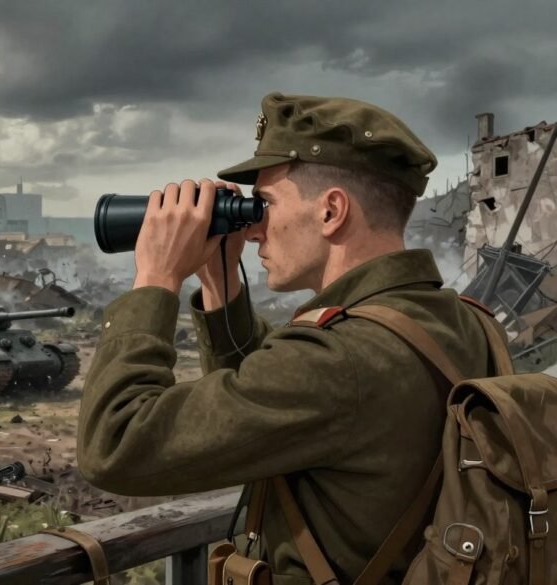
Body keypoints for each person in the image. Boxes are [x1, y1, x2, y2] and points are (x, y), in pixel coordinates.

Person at [76, 93, 495, 584]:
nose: (254, 231)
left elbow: (116, 444)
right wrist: (220, 282)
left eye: (267, 205)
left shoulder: (339, 358)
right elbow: (269, 409)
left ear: (331, 211)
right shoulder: (466, 322)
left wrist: (156, 277)